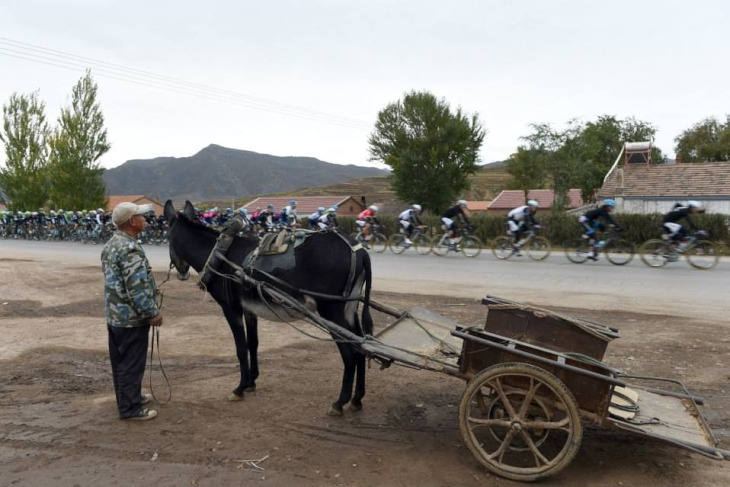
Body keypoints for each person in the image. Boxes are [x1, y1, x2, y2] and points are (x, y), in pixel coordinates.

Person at [101, 202, 163, 421]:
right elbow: (135, 289)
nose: (145, 219)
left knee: (121, 362)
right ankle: (130, 409)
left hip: (116, 316)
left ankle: (130, 397)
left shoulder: (112, 244)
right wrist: (152, 312)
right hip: (131, 319)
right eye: (141, 216)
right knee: (131, 364)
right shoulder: (129, 248)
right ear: (131, 222)